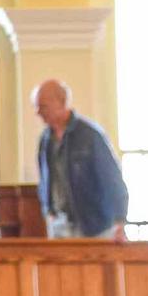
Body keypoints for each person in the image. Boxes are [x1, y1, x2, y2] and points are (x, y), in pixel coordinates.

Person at [32, 78, 129, 238]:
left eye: (43, 107)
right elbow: (45, 180)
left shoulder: (90, 136)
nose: (38, 112)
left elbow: (112, 180)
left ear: (61, 102)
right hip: (59, 226)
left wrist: (120, 221)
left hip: (94, 226)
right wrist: (47, 210)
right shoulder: (45, 140)